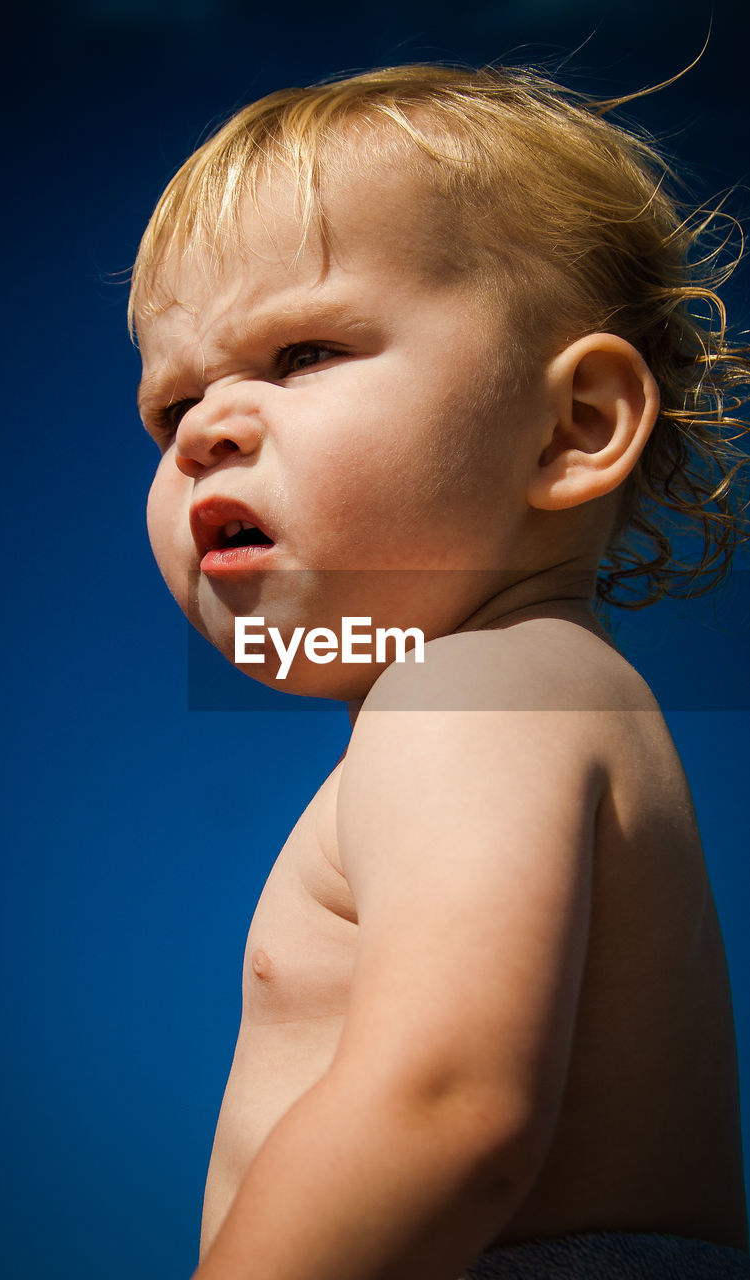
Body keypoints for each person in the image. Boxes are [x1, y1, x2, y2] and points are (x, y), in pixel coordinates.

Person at [129, 64, 750, 1279]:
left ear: (573, 426)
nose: (207, 427)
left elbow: (444, 1107)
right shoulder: (541, 693)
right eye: (173, 405)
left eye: (301, 352)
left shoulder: (475, 687)